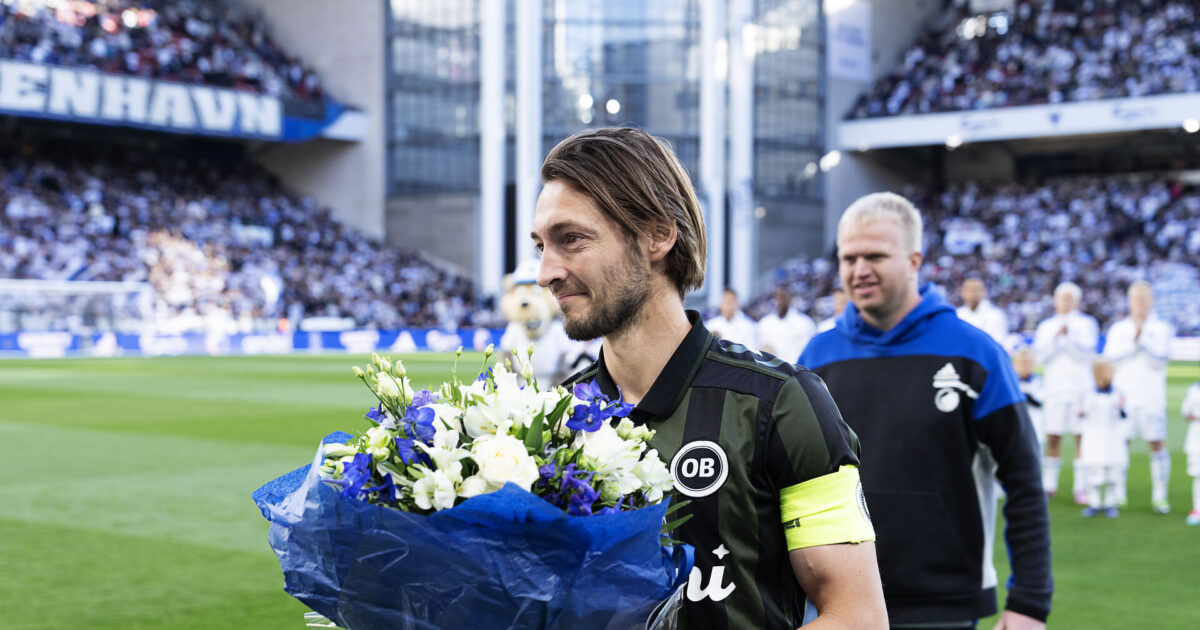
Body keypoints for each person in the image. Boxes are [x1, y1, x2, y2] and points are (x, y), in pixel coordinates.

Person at [532, 127, 887, 629]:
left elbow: (858, 616)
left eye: (571, 239)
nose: (545, 272)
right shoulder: (555, 419)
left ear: (658, 235)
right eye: (541, 246)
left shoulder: (781, 403)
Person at [799, 192, 1052, 629]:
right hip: (834, 601)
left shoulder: (975, 354)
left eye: (875, 256)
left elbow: (1024, 481)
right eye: (849, 258)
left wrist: (1030, 601)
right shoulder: (816, 359)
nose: (859, 270)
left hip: (943, 602)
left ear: (914, 261)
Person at [1102, 281, 1173, 514]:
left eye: (1144, 299)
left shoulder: (1161, 328)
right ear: (1130, 302)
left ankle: (1160, 495)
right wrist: (1133, 343)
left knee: (1157, 443)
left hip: (1152, 397)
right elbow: (1110, 359)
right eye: (1136, 299)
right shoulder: (1119, 329)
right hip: (1125, 396)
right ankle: (1118, 492)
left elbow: (1162, 359)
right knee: (1121, 443)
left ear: (1151, 301)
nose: (1140, 303)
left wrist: (1143, 340)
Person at [1033, 282, 1099, 505]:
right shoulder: (1046, 326)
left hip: (1081, 390)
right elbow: (1040, 358)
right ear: (1055, 300)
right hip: (1054, 389)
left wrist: (1069, 338)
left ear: (1077, 301)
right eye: (1062, 298)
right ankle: (1049, 484)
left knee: (1082, 438)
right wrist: (1056, 338)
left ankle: (1081, 486)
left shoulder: (1086, 324)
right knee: (1053, 436)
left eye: (1070, 299)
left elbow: (1087, 355)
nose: (1066, 303)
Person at [1076, 359, 1128, 519]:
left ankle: (1110, 503)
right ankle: (1094, 503)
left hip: (1112, 437)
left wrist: (1120, 408)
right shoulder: (1088, 394)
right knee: (1094, 472)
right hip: (1094, 438)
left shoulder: (1118, 393)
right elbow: (1081, 413)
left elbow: (1124, 415)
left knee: (1112, 473)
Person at [757, 285, 817, 362]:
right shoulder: (765, 322)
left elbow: (808, 351)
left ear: (790, 298)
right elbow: (762, 347)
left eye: (783, 297)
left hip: (796, 366)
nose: (780, 301)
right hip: (771, 367)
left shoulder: (804, 323)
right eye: (776, 297)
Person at [957, 276, 1008, 345]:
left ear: (984, 291)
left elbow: (999, 342)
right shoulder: (957, 314)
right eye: (969, 290)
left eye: (976, 289)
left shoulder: (996, 315)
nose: (972, 293)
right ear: (962, 293)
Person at [1182, 368, 1200, 526]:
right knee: (1198, 475)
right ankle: (1198, 509)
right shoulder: (1194, 390)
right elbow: (1185, 413)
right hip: (1196, 439)